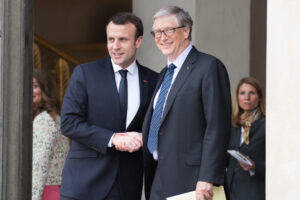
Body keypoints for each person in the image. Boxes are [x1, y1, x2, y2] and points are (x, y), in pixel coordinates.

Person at [59, 12, 158, 200]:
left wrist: (144, 137)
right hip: (83, 185)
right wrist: (112, 138)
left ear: (138, 41)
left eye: (122, 39)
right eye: (111, 39)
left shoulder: (153, 80)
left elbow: (160, 126)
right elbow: (68, 123)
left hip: (127, 186)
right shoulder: (85, 73)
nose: (115, 46)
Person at [142, 6, 232, 200]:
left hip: (193, 180)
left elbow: (217, 126)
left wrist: (208, 176)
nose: (162, 37)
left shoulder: (208, 67)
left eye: (169, 30)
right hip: (159, 176)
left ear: (186, 31)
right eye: (157, 32)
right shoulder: (164, 74)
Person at [224, 77, 266, 200]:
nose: (246, 97)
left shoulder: (267, 125)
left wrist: (254, 167)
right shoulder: (232, 125)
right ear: (237, 97)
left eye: (251, 93)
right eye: (242, 93)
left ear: (259, 97)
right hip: (231, 192)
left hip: (254, 192)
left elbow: (278, 162)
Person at [32, 69, 69, 200]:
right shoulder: (53, 117)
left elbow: (39, 165)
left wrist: (34, 197)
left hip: (46, 192)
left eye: (35, 86)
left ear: (45, 89)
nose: (30, 90)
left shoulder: (44, 120)